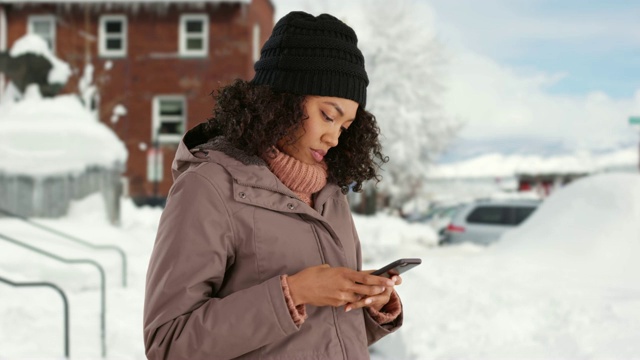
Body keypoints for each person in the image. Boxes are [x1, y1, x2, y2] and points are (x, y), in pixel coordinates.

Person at [143, 11, 404, 360]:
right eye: (328, 115)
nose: (334, 137)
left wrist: (366, 299)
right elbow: (169, 342)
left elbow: (318, 337)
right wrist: (293, 292)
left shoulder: (329, 194)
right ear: (282, 101)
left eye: (345, 126)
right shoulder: (207, 187)